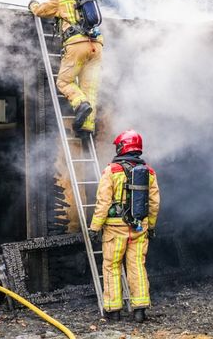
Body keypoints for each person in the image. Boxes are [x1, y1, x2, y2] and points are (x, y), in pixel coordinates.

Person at [88, 130, 160, 323]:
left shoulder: (111, 171)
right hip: (139, 229)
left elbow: (103, 202)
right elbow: (154, 204)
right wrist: (150, 226)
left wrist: (95, 227)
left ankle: (114, 311)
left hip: (114, 229)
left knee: (112, 267)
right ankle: (140, 310)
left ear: (122, 147)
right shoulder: (150, 173)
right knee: (137, 266)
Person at [28, 0, 102, 136]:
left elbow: (40, 11)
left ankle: (80, 104)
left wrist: (32, 4)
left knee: (64, 82)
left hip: (76, 45)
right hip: (96, 47)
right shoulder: (89, 2)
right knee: (89, 87)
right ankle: (87, 127)